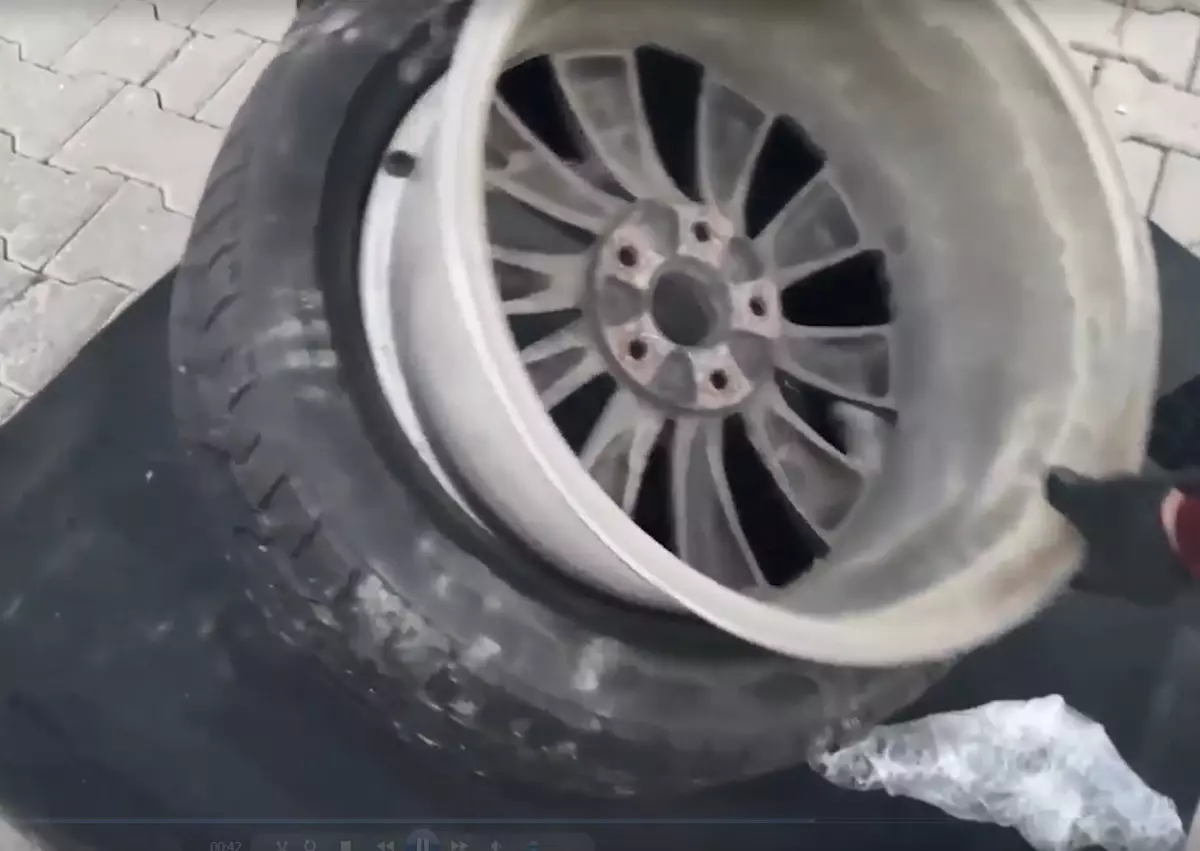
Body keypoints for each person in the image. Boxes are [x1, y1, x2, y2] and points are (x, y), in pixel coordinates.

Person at [1046, 466, 1200, 605]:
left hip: (1149, 514)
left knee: (1070, 496)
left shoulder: (1133, 503)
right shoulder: (1162, 590)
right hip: (1159, 566)